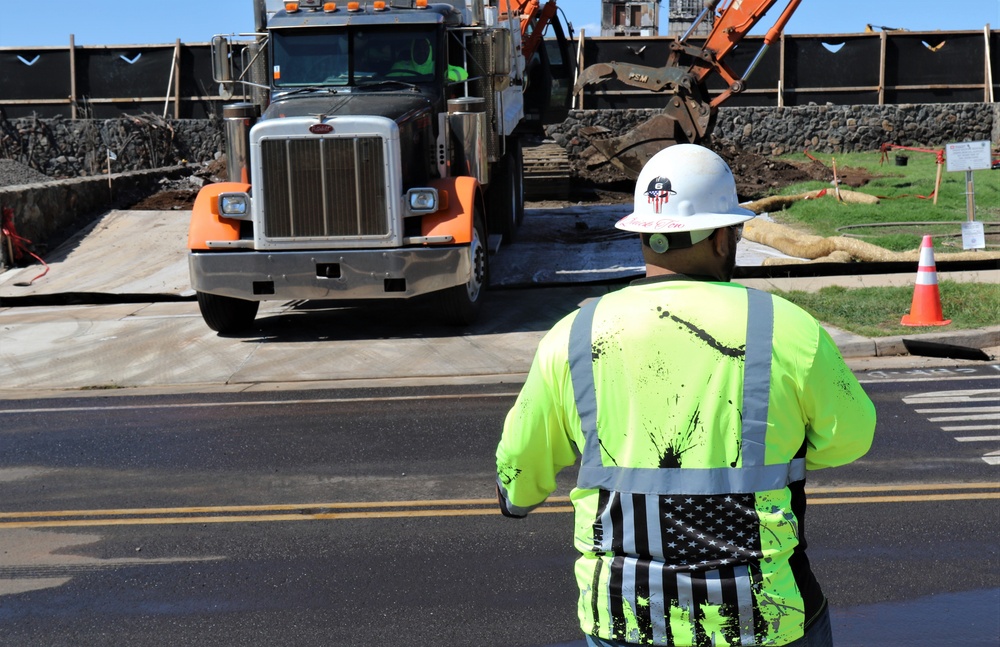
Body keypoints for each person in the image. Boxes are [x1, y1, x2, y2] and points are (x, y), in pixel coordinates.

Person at [495, 143, 876, 647]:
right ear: (721, 237)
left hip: (625, 620)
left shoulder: (573, 336)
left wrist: (515, 498)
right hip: (762, 618)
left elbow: (518, 471)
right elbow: (851, 437)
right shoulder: (785, 328)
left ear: (643, 235)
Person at [388, 36, 468, 82]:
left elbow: (463, 73)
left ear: (430, 50)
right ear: (412, 50)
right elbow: (389, 81)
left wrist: (446, 76)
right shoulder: (402, 66)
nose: (421, 51)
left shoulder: (437, 66)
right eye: (418, 48)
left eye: (425, 48)